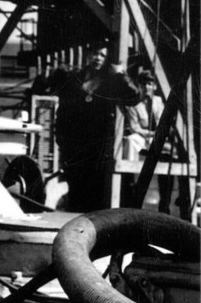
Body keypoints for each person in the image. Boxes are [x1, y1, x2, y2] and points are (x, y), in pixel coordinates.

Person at [47, 41, 141, 212]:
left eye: (103, 55)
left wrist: (120, 74)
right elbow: (63, 111)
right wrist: (61, 140)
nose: (98, 58)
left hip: (99, 146)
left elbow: (134, 97)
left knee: (96, 195)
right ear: (89, 55)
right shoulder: (76, 78)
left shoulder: (111, 80)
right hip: (76, 146)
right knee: (76, 193)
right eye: (96, 54)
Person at [125, 70, 189, 217]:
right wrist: (151, 135)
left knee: (169, 162)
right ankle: (133, 197)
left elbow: (167, 123)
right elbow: (135, 128)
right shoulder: (134, 104)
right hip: (144, 142)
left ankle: (165, 206)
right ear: (139, 86)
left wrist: (162, 135)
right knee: (133, 143)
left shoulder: (160, 102)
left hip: (162, 142)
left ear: (154, 86)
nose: (146, 87)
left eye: (149, 84)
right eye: (143, 84)